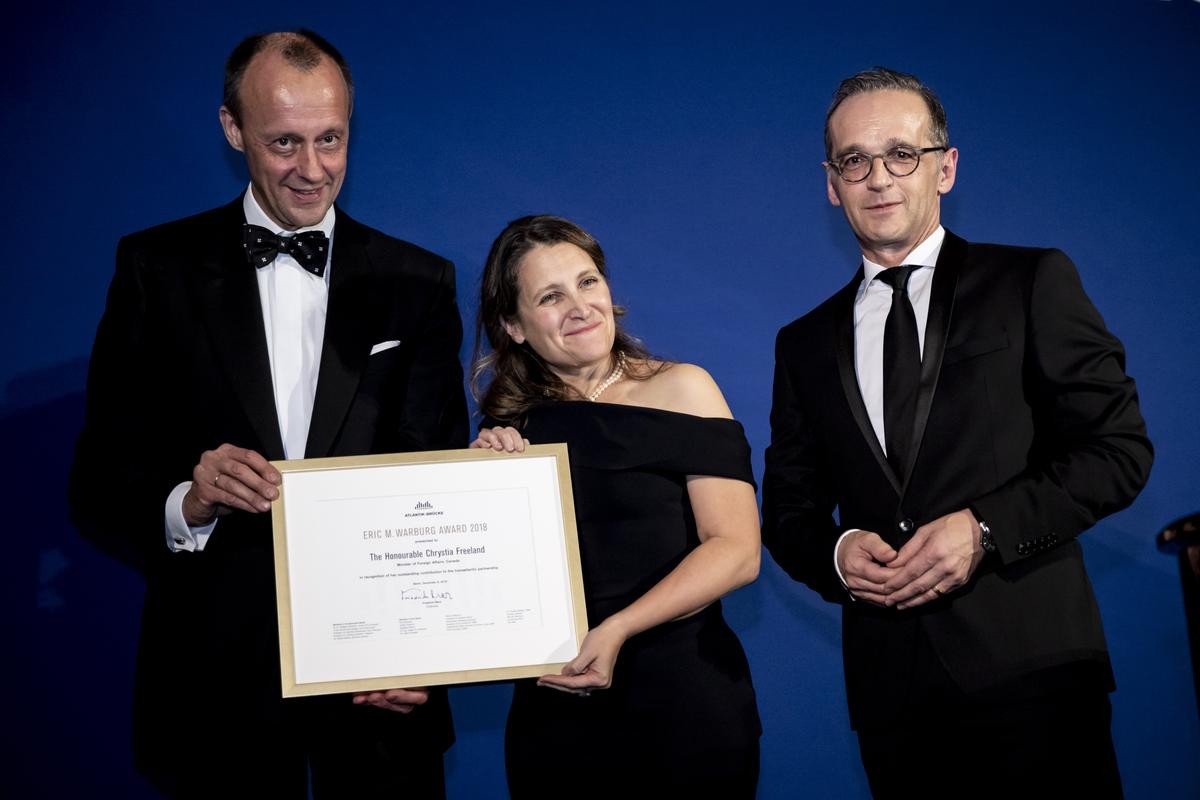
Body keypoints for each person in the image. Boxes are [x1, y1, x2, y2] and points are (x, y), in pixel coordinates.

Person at [68, 30, 466, 798]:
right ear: (232, 129)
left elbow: (434, 480)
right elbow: (99, 474)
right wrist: (190, 496)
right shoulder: (156, 270)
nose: (312, 169)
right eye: (285, 142)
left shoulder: (418, 282)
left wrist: (425, 648)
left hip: (379, 685)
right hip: (215, 681)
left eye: (331, 140)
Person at [762, 67, 1152, 798]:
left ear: (946, 167)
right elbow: (788, 509)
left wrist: (983, 528)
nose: (878, 177)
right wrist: (839, 552)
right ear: (830, 183)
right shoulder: (803, 342)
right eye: (855, 160)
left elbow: (1118, 451)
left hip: (1034, 677)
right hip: (894, 699)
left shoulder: (1030, 281)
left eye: (901, 154)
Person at [471, 215, 762, 797]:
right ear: (515, 325)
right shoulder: (508, 429)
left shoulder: (684, 388)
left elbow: (737, 552)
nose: (580, 306)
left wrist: (618, 629)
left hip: (685, 705)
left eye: (587, 282)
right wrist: (482, 487)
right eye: (550, 297)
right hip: (555, 716)